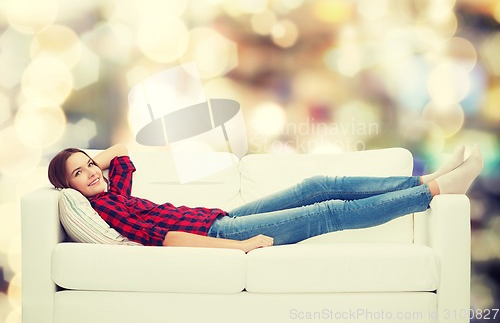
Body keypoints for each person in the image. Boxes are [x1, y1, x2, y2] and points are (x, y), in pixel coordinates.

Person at [48, 143, 483, 253]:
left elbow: (121, 155)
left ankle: (422, 180)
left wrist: (91, 162)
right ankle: (434, 192)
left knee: (314, 185)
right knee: (327, 212)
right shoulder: (104, 209)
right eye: (79, 174)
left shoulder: (110, 193)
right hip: (221, 230)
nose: (91, 173)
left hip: (222, 214)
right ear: (68, 188)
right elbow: (168, 240)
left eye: (89, 165)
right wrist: (238, 246)